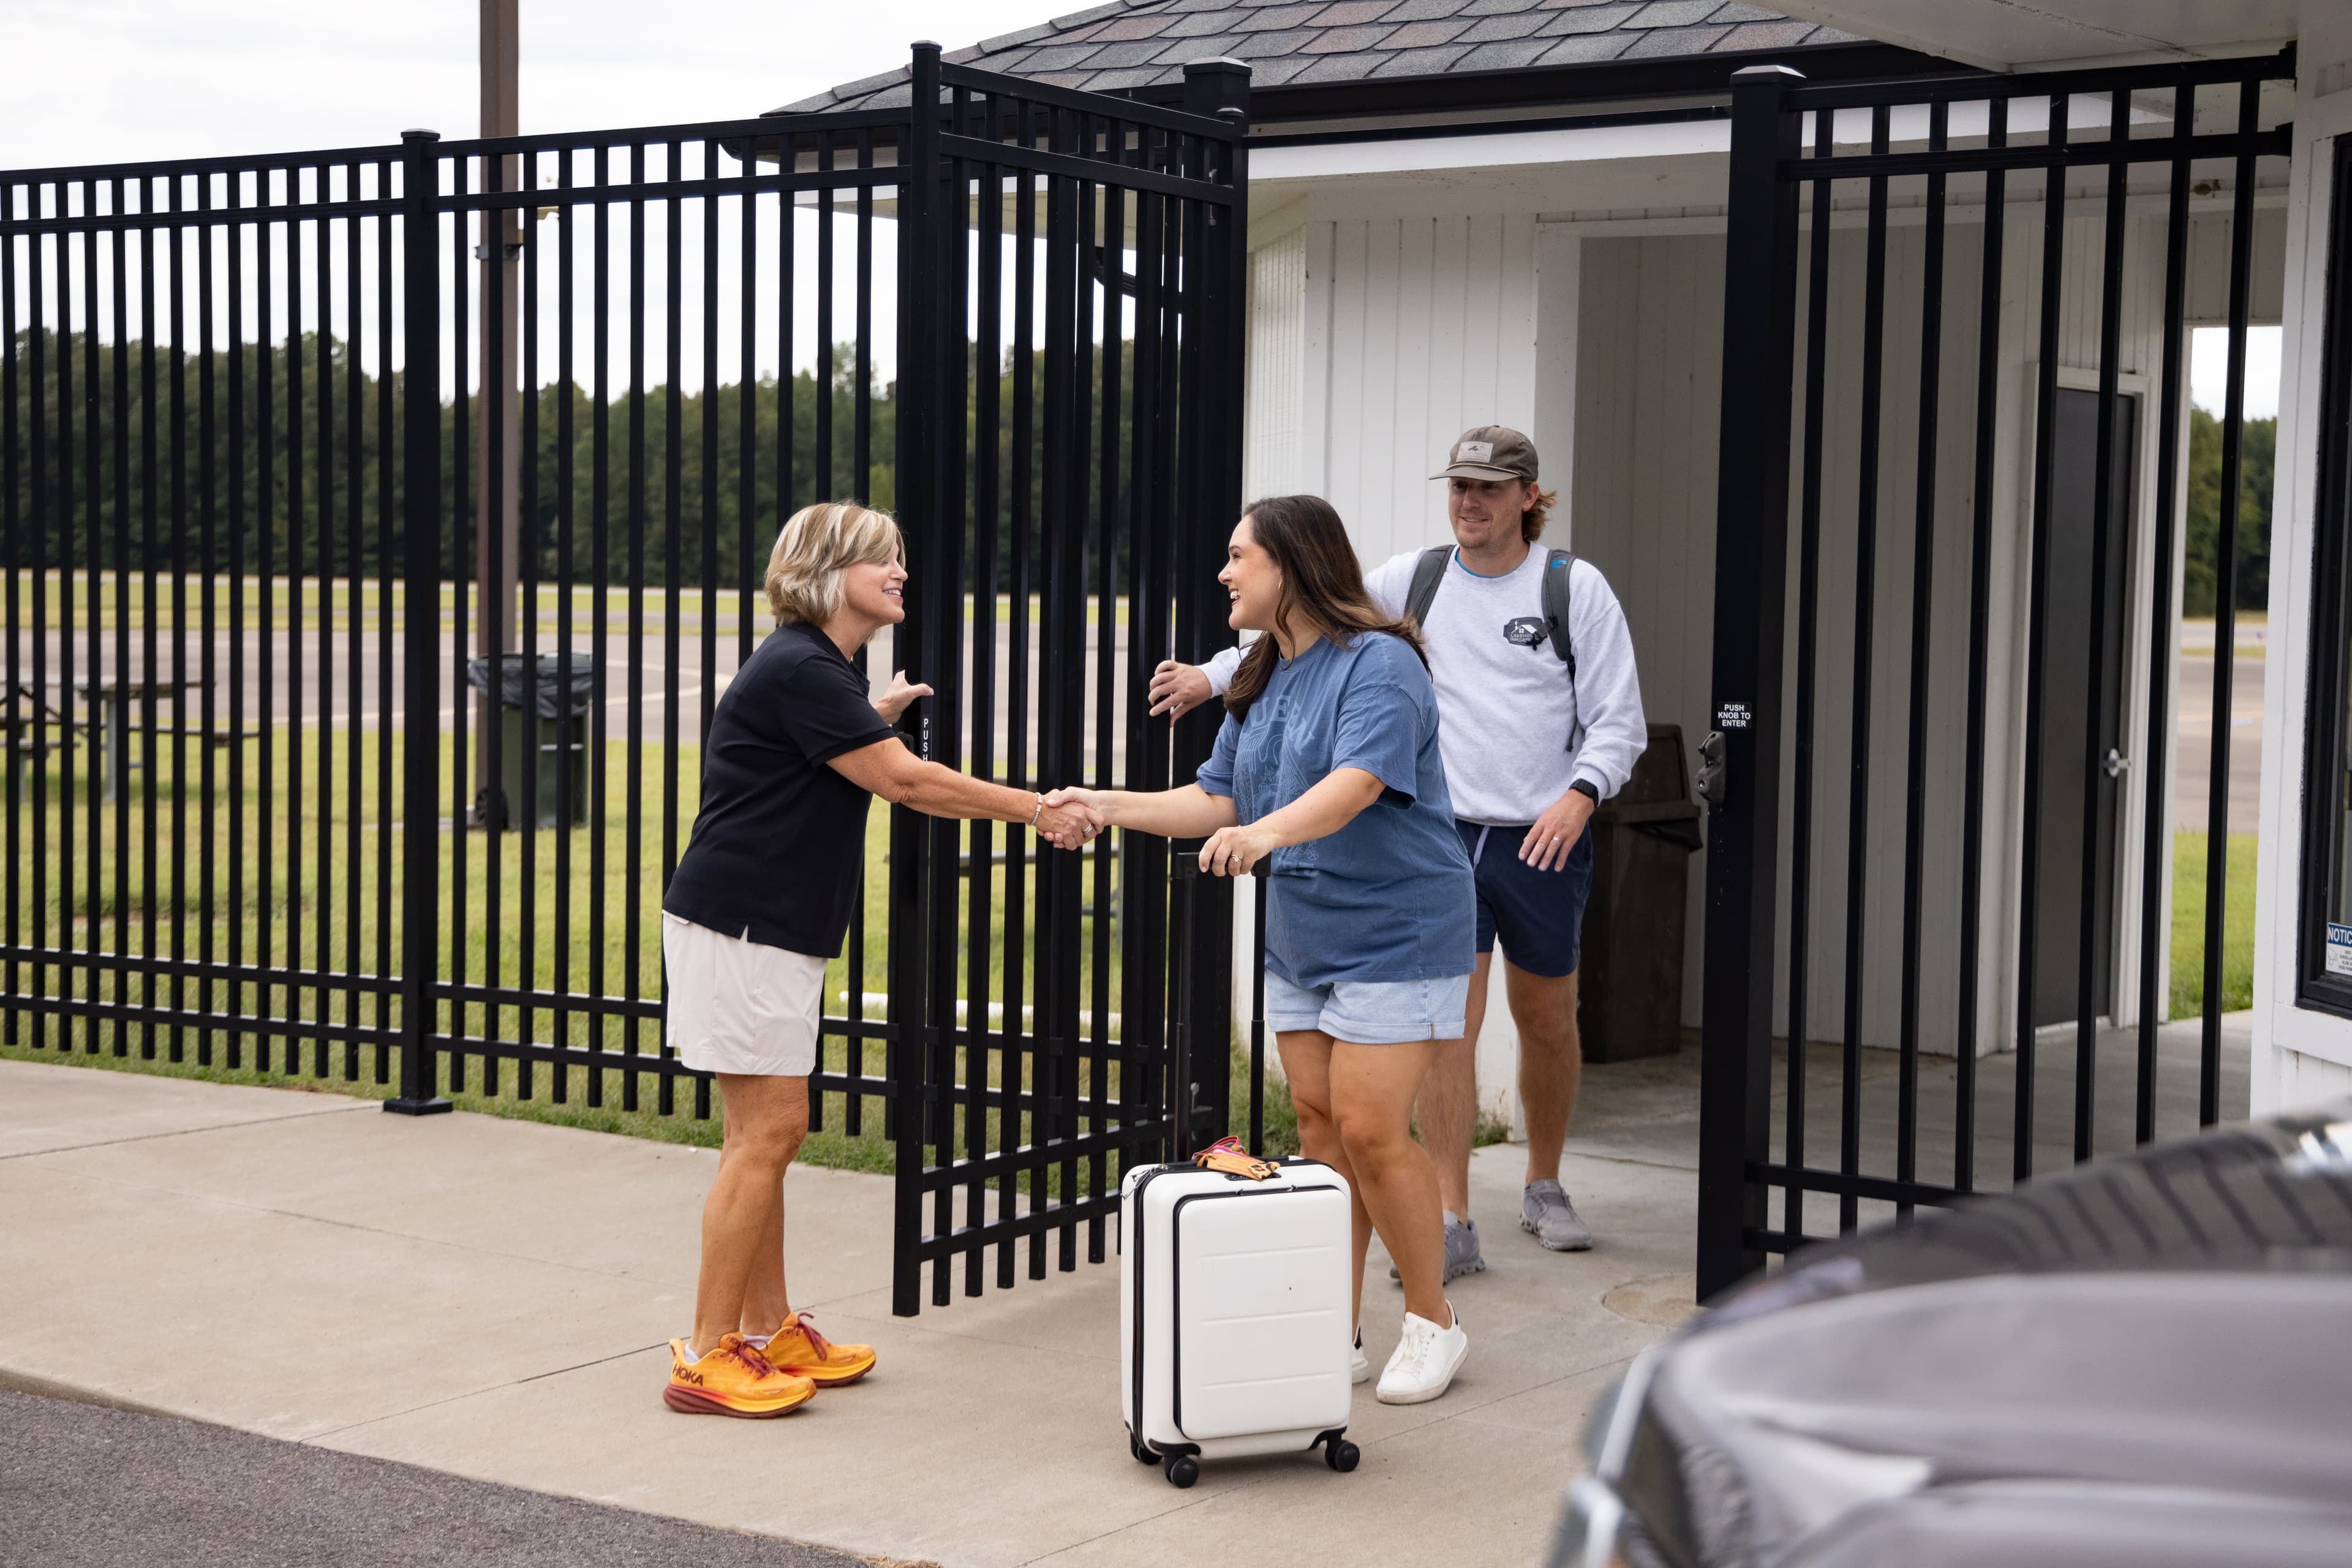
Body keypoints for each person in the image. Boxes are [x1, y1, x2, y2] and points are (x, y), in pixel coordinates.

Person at [1149, 428, 1645, 1276]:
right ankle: (1452, 1214)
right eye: (1459, 486)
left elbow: (1618, 718)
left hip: (1539, 835)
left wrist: (1581, 792)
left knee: (1547, 1018)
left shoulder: (1572, 588)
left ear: (1529, 495)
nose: (1469, 502)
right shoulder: (1415, 580)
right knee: (1450, 1029)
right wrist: (1209, 673)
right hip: (1435, 838)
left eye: (1489, 489)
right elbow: (1304, 621)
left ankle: (1543, 1179)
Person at [658, 500, 1096, 1419]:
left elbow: (832, 749)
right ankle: (705, 1356)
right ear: (827, 572)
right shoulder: (804, 669)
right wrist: (1037, 809)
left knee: (767, 1138)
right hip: (746, 927)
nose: (900, 572)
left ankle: (768, 1329)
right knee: (766, 1135)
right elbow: (904, 780)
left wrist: (869, 711)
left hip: (765, 927)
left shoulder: (819, 671)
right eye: (879, 560)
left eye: (900, 557)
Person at [1051, 494, 1476, 1406]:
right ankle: (1339, 1326)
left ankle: (1434, 1322)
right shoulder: (1260, 672)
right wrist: (1104, 802)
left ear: (1291, 565)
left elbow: (1359, 785)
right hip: (1305, 935)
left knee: (1369, 1128)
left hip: (1399, 930)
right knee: (1320, 1129)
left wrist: (1265, 837)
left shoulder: (1382, 665)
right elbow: (1216, 800)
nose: (1225, 573)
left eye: (1240, 556)